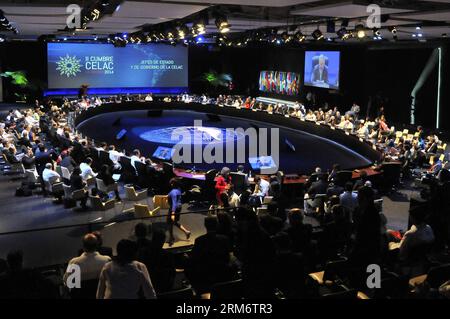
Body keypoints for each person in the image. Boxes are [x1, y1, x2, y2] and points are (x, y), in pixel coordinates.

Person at [187, 216, 234, 293]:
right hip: (223, 273)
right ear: (217, 225)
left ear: (205, 225)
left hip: (206, 275)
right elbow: (229, 256)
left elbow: (195, 258)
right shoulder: (224, 239)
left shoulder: (199, 240)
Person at [167, 178, 190, 246]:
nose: (170, 184)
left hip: (174, 208)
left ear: (173, 184)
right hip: (179, 207)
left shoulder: (173, 192)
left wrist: (173, 213)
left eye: (171, 183)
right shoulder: (179, 189)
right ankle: (186, 232)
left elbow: (174, 202)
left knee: (169, 223)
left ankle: (171, 238)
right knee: (174, 222)